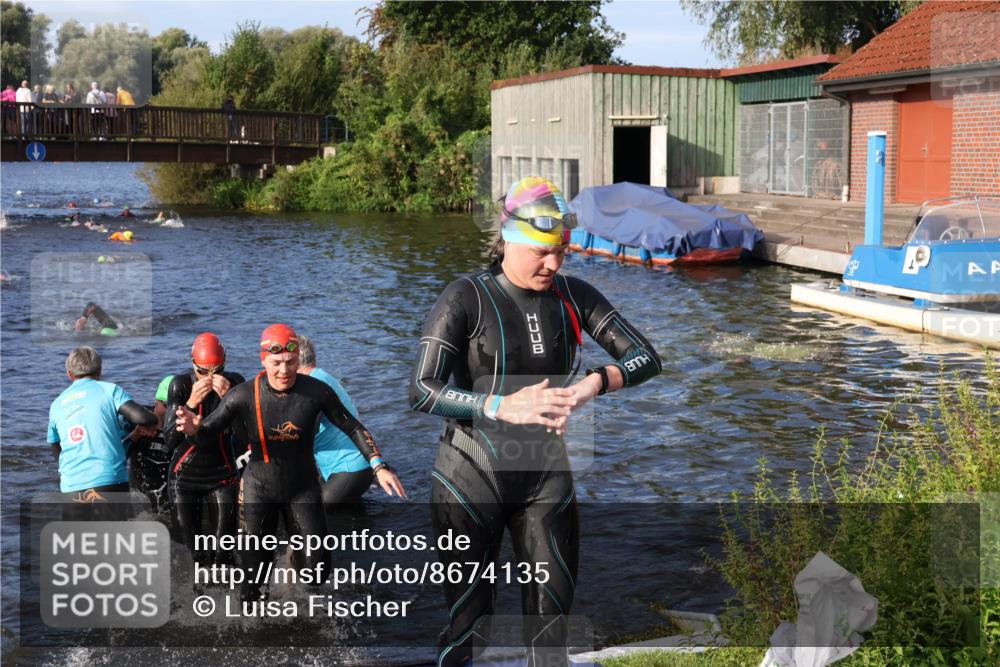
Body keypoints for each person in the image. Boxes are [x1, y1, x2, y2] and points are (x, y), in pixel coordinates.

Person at [409, 176, 662, 666]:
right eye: (541, 251)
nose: (553, 264)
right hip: (468, 478)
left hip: (545, 478)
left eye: (561, 251)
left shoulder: (573, 295)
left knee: (550, 635)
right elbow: (422, 390)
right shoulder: (465, 297)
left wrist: (593, 383)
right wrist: (499, 406)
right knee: (469, 631)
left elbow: (646, 357)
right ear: (508, 239)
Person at [175, 323, 406, 601]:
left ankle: (300, 606)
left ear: (298, 360)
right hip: (259, 490)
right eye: (276, 363)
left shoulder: (316, 391)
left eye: (290, 362)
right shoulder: (244, 394)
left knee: (318, 571)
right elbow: (207, 434)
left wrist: (377, 465)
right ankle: (253, 630)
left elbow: (352, 426)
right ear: (263, 360)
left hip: (303, 489)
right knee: (253, 580)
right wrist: (193, 429)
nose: (283, 371)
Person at [162, 334, 244, 567]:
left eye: (217, 371)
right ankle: (192, 601)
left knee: (223, 556)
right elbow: (169, 440)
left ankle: (225, 600)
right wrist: (189, 403)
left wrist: (230, 399)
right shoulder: (181, 384)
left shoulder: (235, 383)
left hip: (223, 475)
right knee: (191, 557)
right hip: (184, 478)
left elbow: (247, 436)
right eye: (203, 372)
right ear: (192, 364)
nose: (210, 378)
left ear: (225, 363)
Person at [47, 346, 157, 501]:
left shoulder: (57, 404)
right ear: (99, 371)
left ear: (69, 374)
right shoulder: (110, 390)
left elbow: (54, 443)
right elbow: (144, 418)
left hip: (71, 486)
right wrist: (155, 419)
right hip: (110, 482)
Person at [296, 335, 373, 508]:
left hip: (348, 470)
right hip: (358, 466)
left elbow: (305, 432)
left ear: (295, 361)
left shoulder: (311, 385)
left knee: (309, 515)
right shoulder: (322, 376)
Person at [124, 375, 174, 514]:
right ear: (156, 401)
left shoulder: (182, 426)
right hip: (139, 498)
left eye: (176, 405)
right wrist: (134, 436)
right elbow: (116, 458)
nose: (172, 410)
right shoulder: (137, 419)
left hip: (169, 500)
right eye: (166, 405)